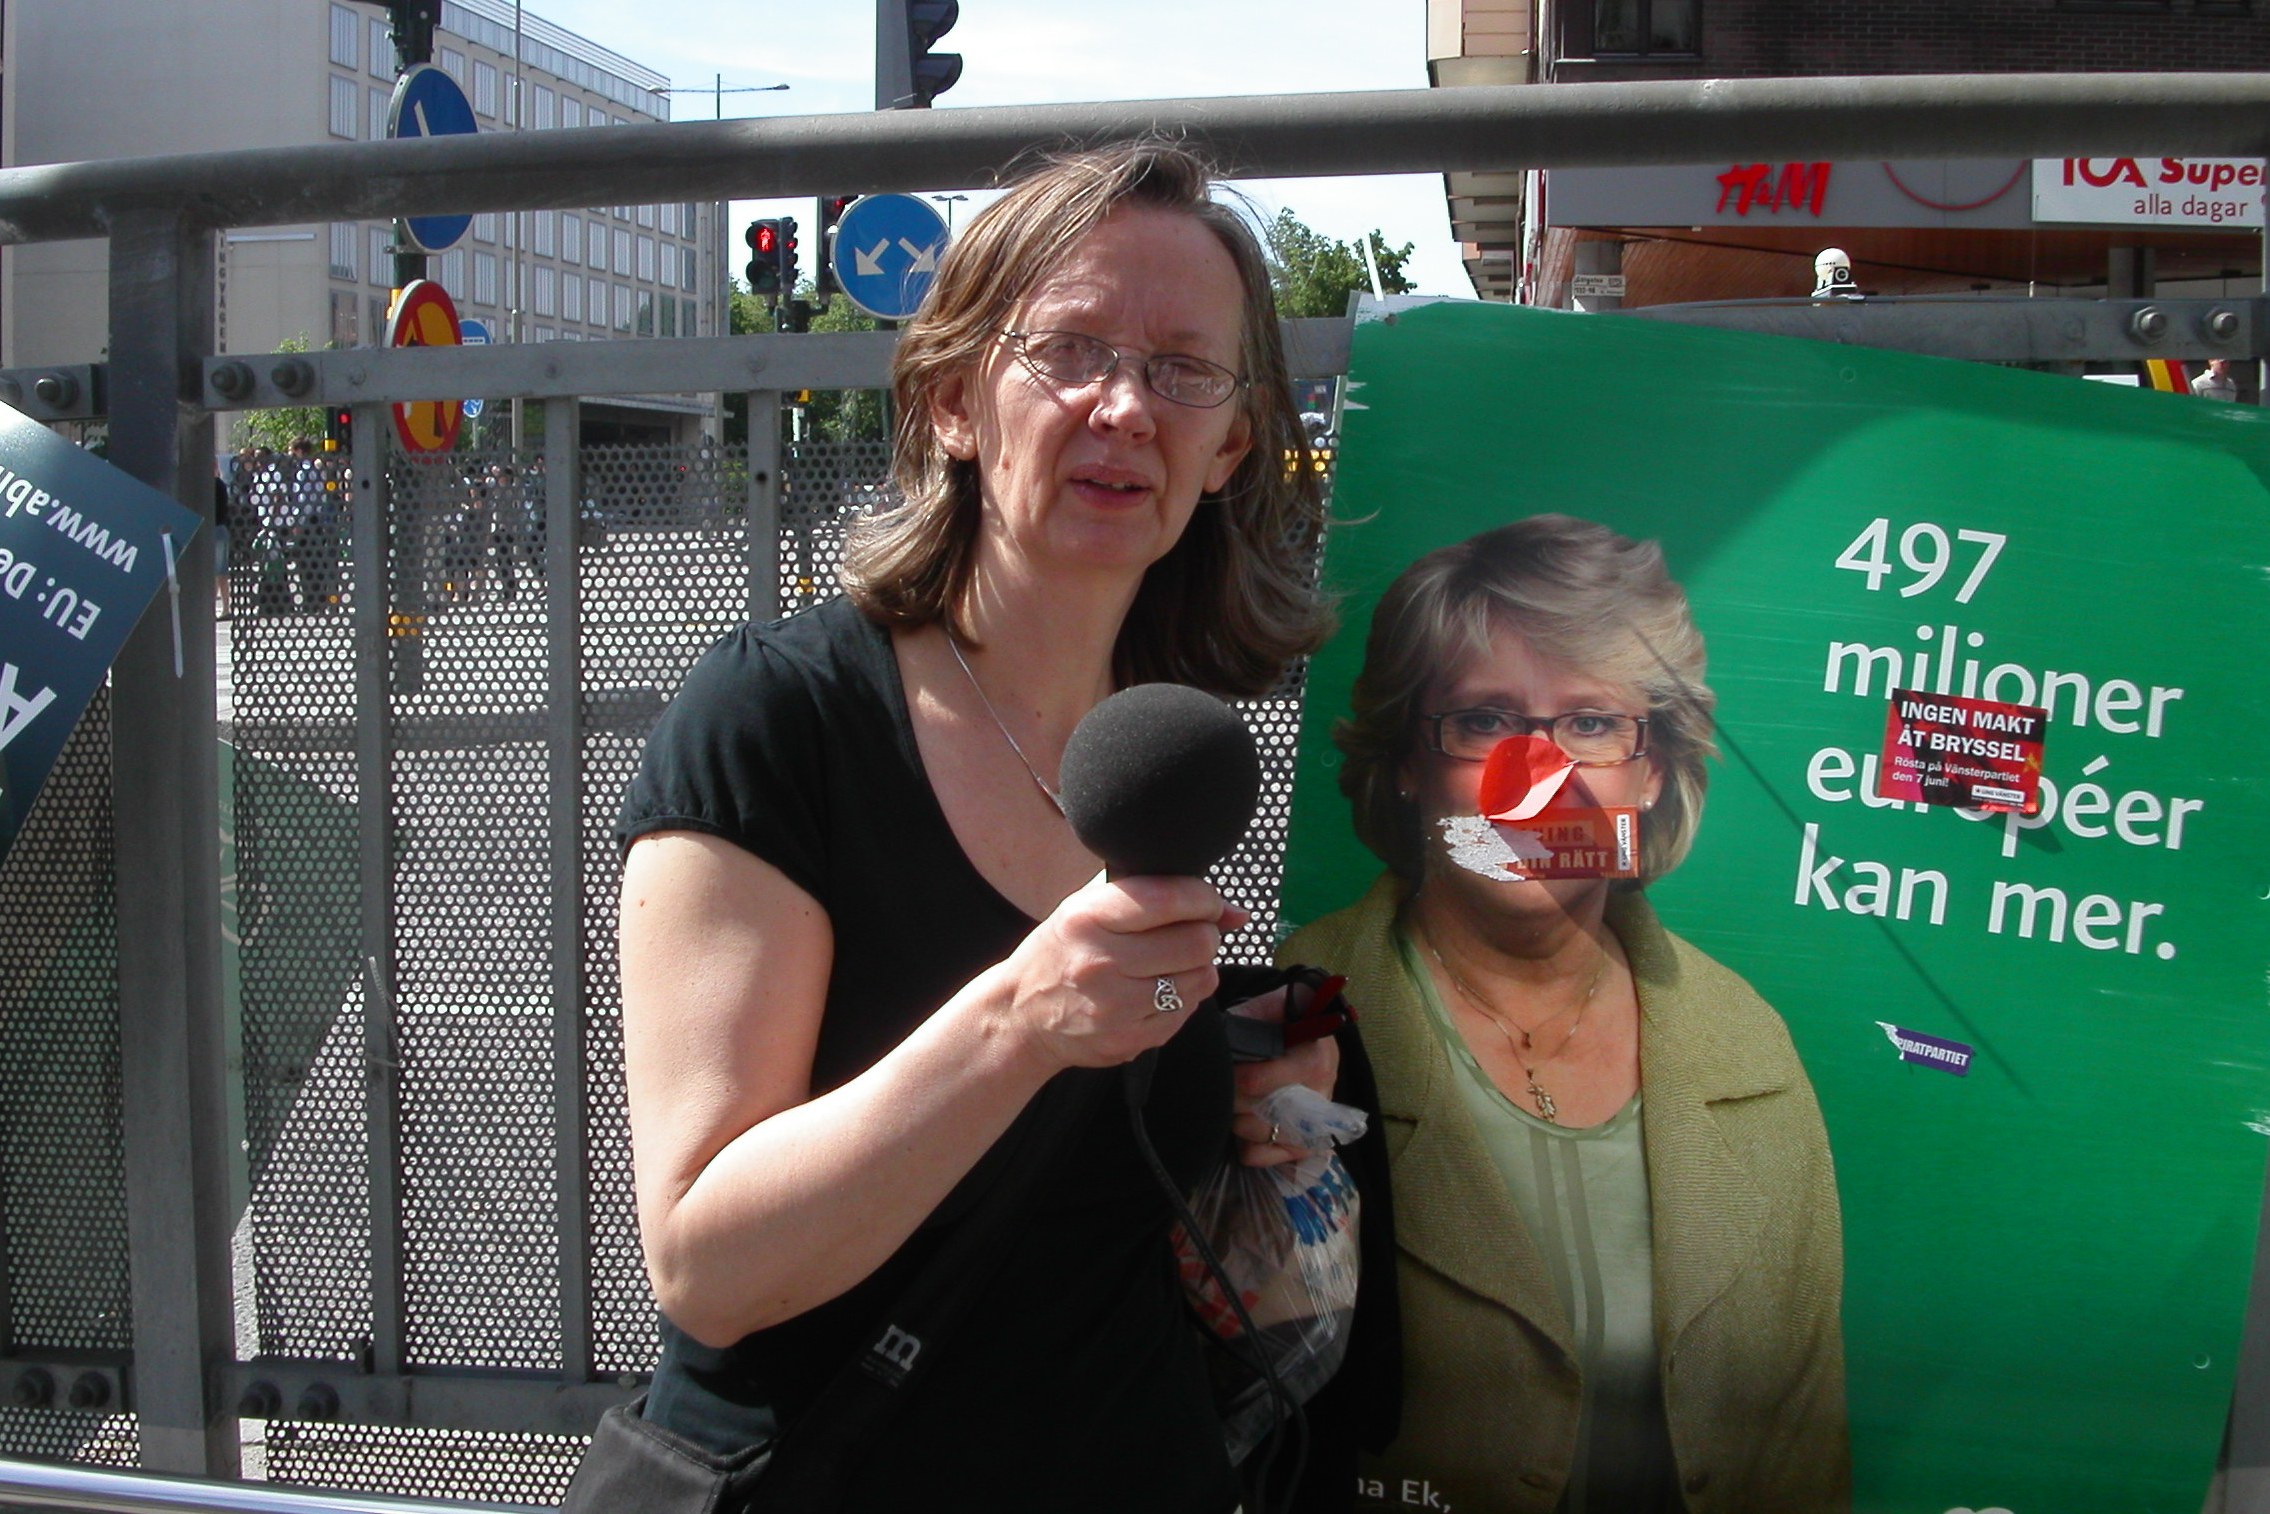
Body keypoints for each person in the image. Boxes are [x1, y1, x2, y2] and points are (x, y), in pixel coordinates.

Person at [612, 141, 1345, 1512]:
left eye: (1185, 369)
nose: (1127, 405)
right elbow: (706, 1264)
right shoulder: (778, 716)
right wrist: (1017, 1021)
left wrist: (1230, 1098)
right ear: (954, 399)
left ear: (1232, 443)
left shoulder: (1163, 746)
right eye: (1069, 350)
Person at [1283, 515, 1847, 1513]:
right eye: (1486, 720)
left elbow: (1802, 1453)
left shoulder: (1748, 1042)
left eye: (1590, 723)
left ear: (1653, 769)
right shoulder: (1286, 1015)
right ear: (1408, 761)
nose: (1535, 779)